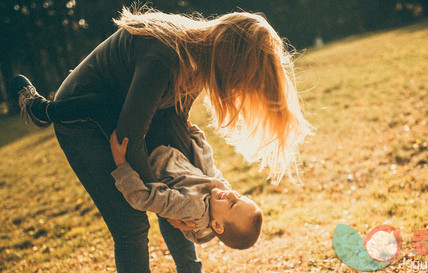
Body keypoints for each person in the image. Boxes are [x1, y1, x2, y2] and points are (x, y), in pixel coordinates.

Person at [10, 5, 312, 273]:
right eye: (241, 79)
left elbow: (176, 117)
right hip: (84, 117)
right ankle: (43, 111)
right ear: (230, 60)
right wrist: (163, 205)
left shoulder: (201, 58)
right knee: (132, 225)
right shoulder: (168, 54)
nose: (236, 89)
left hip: (125, 115)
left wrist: (180, 202)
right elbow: (129, 136)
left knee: (179, 196)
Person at [110, 125, 262, 249]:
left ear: (216, 225)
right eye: (240, 196)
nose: (233, 195)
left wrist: (121, 165)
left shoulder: (194, 208)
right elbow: (207, 165)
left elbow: (143, 199)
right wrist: (194, 132)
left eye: (233, 204)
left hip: (149, 156)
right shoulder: (219, 197)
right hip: (170, 151)